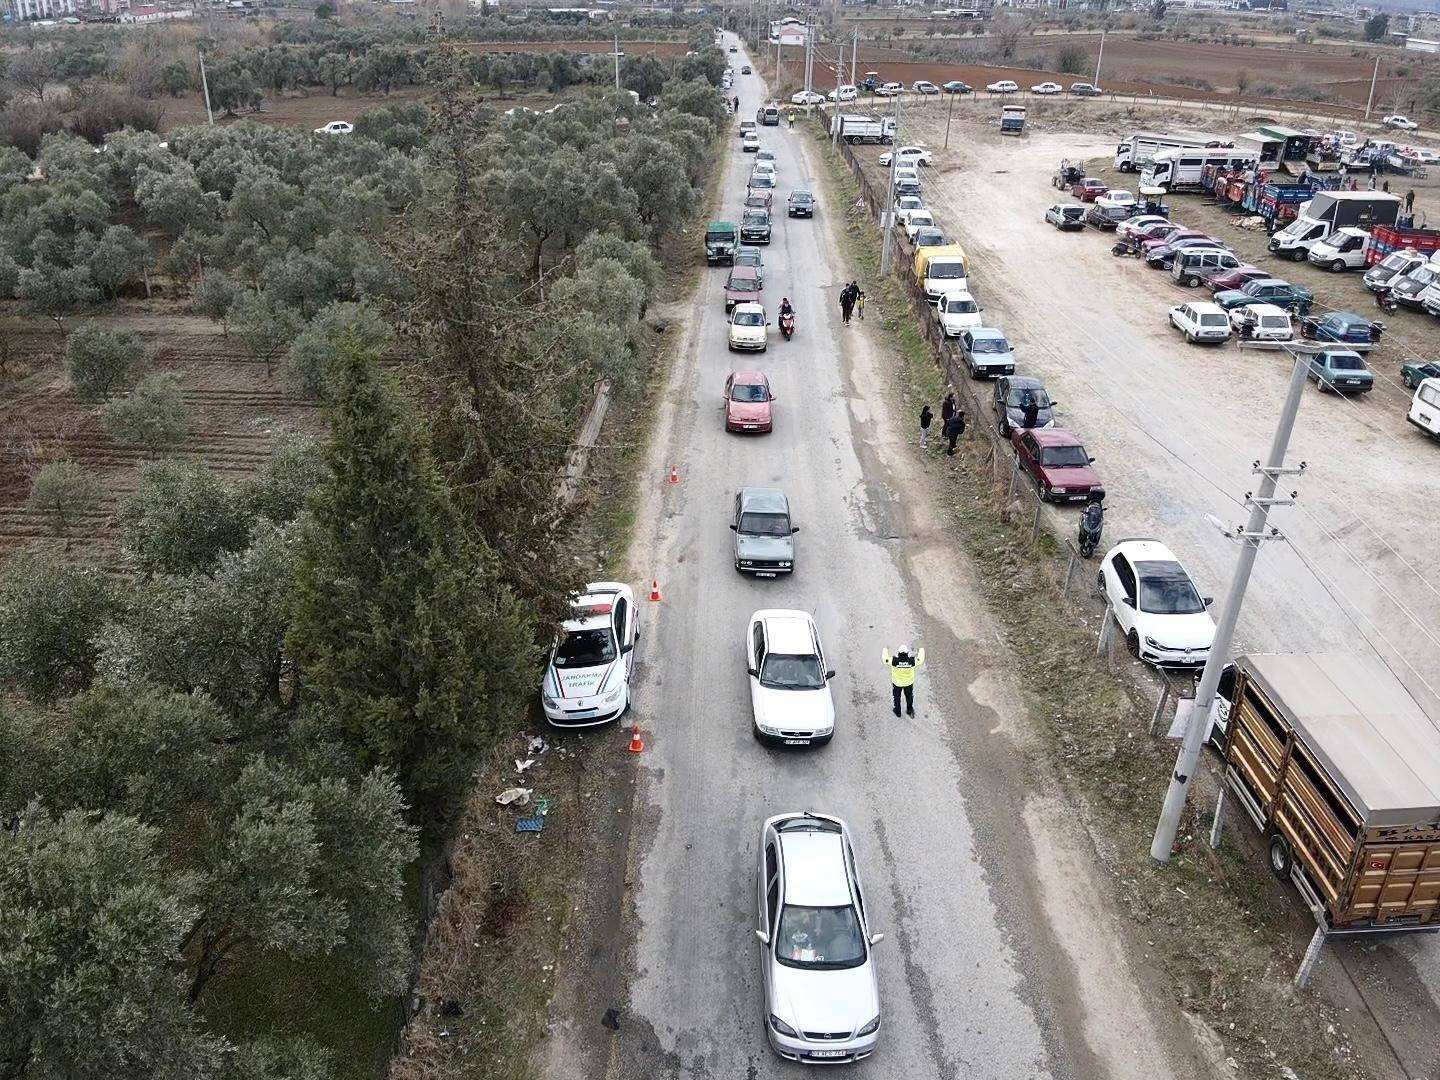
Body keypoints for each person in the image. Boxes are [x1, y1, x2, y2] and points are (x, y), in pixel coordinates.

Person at [881, 645, 925, 717]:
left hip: (897, 683)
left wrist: (885, 649)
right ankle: (909, 710)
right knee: (909, 697)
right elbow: (920, 660)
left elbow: (885, 659)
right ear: (907, 653)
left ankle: (898, 712)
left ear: (899, 653)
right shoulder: (912, 661)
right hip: (908, 683)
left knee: (897, 697)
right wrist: (921, 649)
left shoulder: (894, 661)